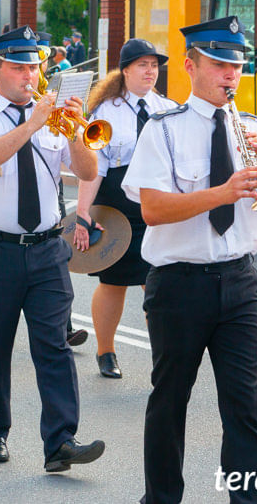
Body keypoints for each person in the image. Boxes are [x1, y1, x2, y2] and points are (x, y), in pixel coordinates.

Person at [123, 16, 257, 503]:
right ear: (191, 66)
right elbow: (153, 209)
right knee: (169, 402)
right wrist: (220, 192)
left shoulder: (255, 127)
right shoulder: (165, 130)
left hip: (240, 281)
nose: (230, 76)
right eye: (219, 64)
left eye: (236, 67)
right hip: (179, 284)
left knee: (243, 407)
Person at [0, 25, 105, 472]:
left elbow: (88, 168)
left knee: (54, 347)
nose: (29, 74)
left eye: (34, 65)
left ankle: (61, 441)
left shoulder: (54, 116)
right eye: (19, 66)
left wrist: (75, 129)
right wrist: (32, 124)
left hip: (46, 249)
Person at [72, 39, 176, 379]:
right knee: (114, 282)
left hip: (156, 203)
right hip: (117, 205)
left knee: (157, 285)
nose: (150, 71)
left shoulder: (168, 108)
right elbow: (95, 166)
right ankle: (106, 352)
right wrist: (83, 212)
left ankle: (163, 357)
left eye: (154, 65)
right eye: (143, 65)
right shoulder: (106, 111)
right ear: (126, 69)